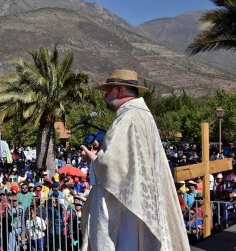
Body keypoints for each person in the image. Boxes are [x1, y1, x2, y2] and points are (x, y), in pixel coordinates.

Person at [80, 70, 190, 250]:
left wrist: (94, 161)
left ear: (119, 90)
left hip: (128, 210)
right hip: (138, 201)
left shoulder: (128, 118)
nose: (105, 96)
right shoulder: (143, 116)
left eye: (108, 91)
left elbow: (112, 166)